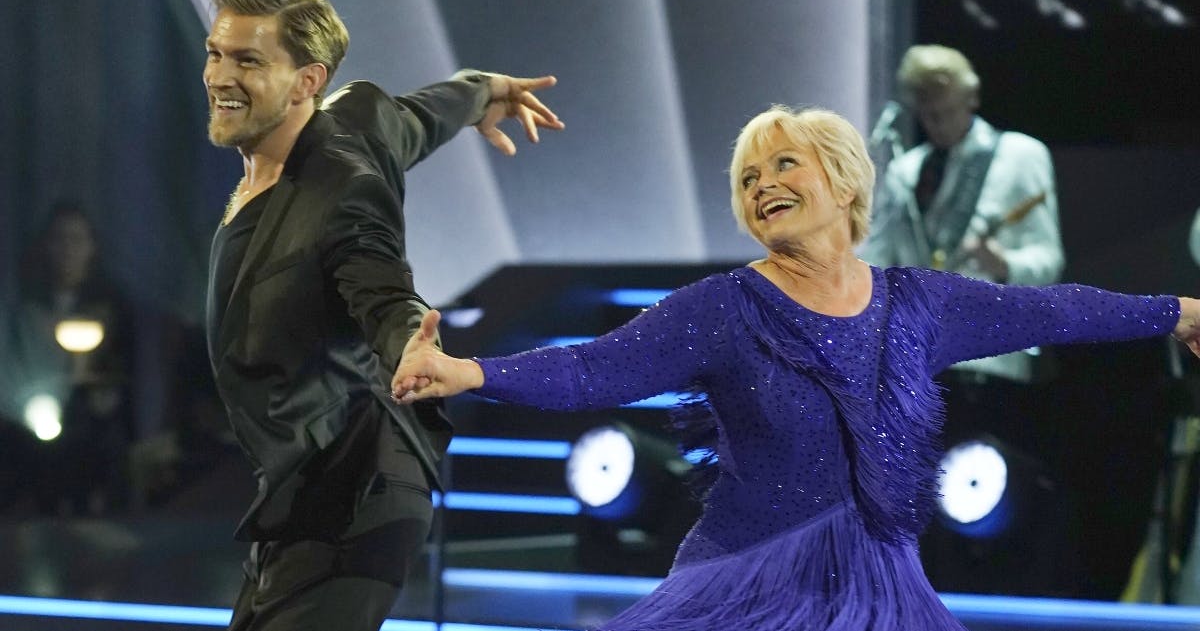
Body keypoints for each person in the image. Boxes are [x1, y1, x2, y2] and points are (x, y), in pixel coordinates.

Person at [392, 104, 1200, 630]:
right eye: (748, 178)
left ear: (843, 182)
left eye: (784, 165)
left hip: (880, 592)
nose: (762, 185)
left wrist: (1178, 312)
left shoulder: (919, 303)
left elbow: (1053, 311)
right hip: (745, 589)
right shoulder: (724, 307)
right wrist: (470, 372)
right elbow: (593, 369)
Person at [200, 0, 562, 631]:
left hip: (357, 486)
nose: (220, 76)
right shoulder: (359, 119)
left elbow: (381, 284)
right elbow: (418, 117)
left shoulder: (342, 187)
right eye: (215, 53)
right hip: (295, 497)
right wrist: (484, 90)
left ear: (307, 81)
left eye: (248, 61)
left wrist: (410, 346)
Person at [858, 44, 1064, 479]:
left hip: (989, 364)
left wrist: (1003, 263)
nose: (937, 124)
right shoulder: (906, 172)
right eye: (927, 115)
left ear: (972, 97)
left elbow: (1049, 259)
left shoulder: (1019, 156)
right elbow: (876, 261)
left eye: (946, 111)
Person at [4, 201, 135, 515]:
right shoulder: (25, 306)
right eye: (59, 239)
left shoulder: (112, 305)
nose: (67, 249)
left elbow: (124, 367)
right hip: (35, 414)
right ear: (46, 246)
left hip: (94, 420)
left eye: (76, 239)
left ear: (92, 247)